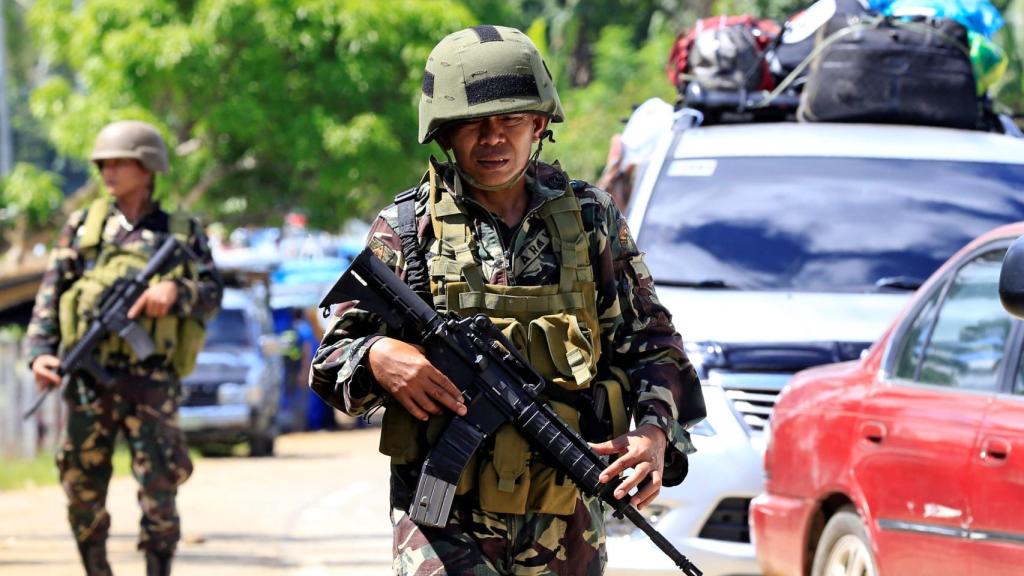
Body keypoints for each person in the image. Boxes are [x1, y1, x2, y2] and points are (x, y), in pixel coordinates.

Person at [310, 25, 704, 575]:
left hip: (567, 520)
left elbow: (656, 348)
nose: (493, 138)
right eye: (474, 123)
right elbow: (331, 363)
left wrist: (655, 433)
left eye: (512, 120)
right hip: (441, 525)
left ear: (539, 124)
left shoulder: (592, 221)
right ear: (446, 134)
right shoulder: (405, 229)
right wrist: (377, 356)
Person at [26, 120, 223, 576]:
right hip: (88, 378)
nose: (108, 172)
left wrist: (176, 293)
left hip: (151, 380)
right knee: (81, 489)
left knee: (160, 489)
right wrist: (40, 351)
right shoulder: (83, 227)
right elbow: (51, 295)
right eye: (103, 164)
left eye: (119, 162)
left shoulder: (181, 230)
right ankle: (96, 569)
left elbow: (213, 293)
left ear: (148, 166)